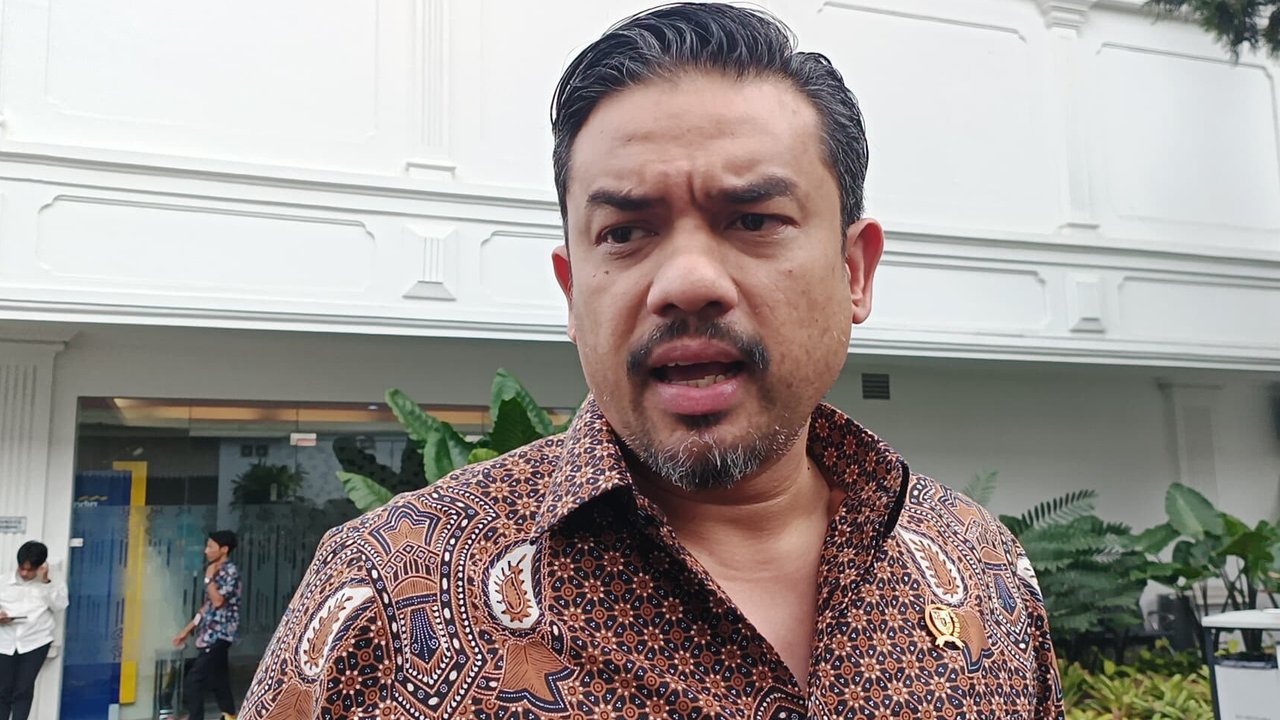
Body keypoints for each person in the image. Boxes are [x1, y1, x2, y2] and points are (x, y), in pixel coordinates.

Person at [241, 4, 1063, 718]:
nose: (688, 283)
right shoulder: (385, 599)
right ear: (572, 291)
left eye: (754, 220)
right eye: (626, 232)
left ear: (854, 271)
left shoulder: (981, 570)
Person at [173, 530, 240, 720]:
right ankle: (230, 715)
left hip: (220, 634)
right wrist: (187, 630)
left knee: (193, 680)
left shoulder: (230, 571)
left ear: (224, 549)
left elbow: (218, 601)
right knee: (220, 680)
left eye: (211, 546)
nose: (206, 551)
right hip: (209, 634)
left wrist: (209, 579)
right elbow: (206, 607)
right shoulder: (214, 570)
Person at [0, 541, 68, 720]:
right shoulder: (3, 582)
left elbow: (60, 605)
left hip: (35, 641)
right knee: (2, 689)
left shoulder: (53, 583)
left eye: (30, 570)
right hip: (4, 641)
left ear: (41, 566)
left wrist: (46, 582)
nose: (25, 573)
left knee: (23, 689)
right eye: (22, 568)